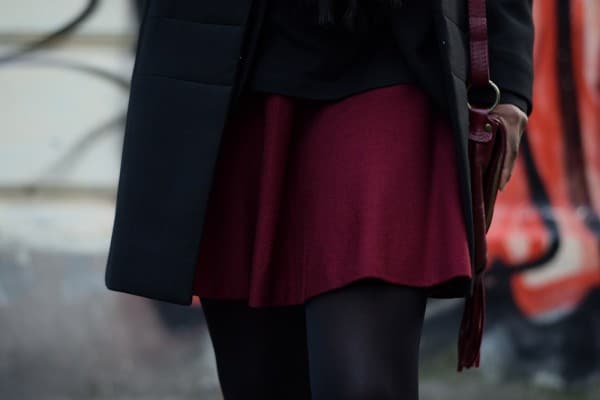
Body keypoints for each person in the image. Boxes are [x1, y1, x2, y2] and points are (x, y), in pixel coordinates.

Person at [105, 0, 534, 398]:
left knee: (363, 386)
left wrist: (508, 74)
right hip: (231, 67)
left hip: (394, 58)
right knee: (260, 382)